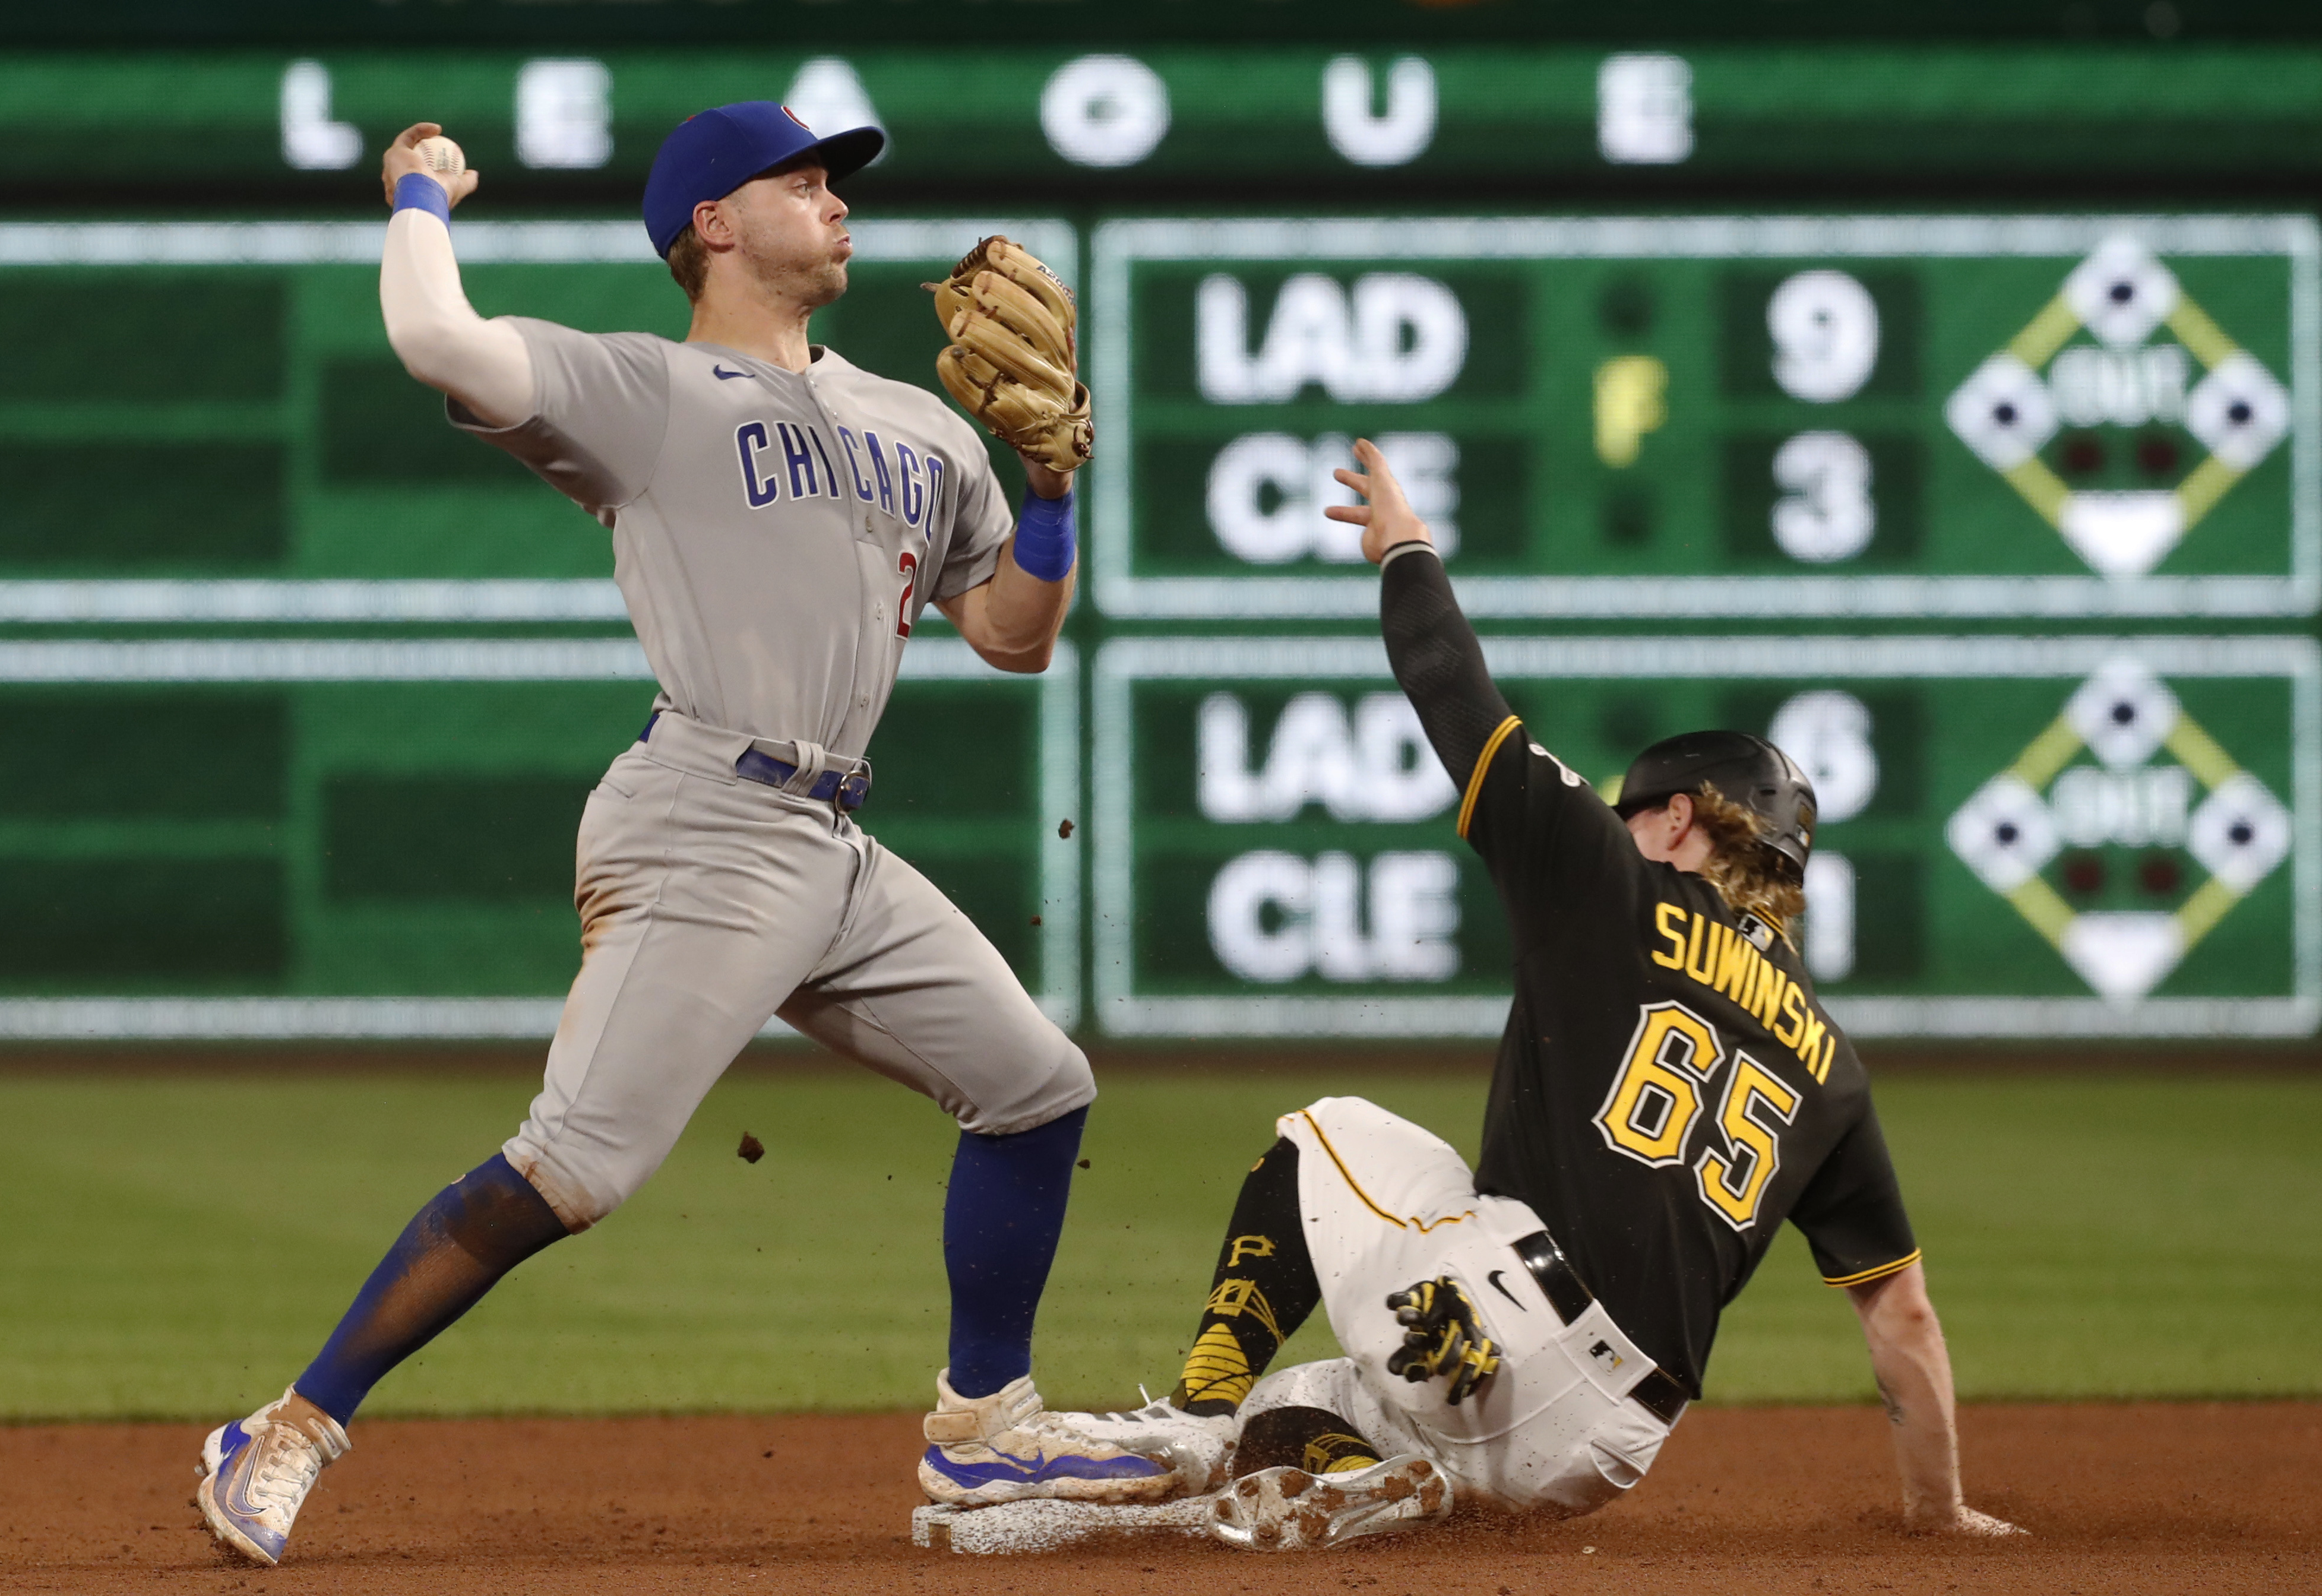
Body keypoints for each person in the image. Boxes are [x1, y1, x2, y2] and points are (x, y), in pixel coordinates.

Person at [195, 105, 1160, 1569]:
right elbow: (436, 340)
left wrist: (1049, 495)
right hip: (705, 818)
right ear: (710, 222)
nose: (837, 205)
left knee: (1036, 1087)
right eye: (803, 182)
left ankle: (985, 1428)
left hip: (837, 843)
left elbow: (1015, 639)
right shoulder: (649, 392)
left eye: (838, 183)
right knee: (570, 1172)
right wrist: (415, 197)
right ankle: (287, 1426)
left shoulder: (916, 419)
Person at [1055, 440, 2024, 1551]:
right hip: (1602, 1451)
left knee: (1322, 1136)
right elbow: (1900, 1315)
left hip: (1493, 1329)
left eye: (1634, 810)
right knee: (1300, 1416)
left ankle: (1193, 1413)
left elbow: (1449, 685)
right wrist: (1935, 1511)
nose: (1621, 823)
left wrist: (1405, 548)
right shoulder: (1833, 1065)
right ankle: (1393, 1481)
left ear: (1676, 820)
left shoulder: (1619, 884)